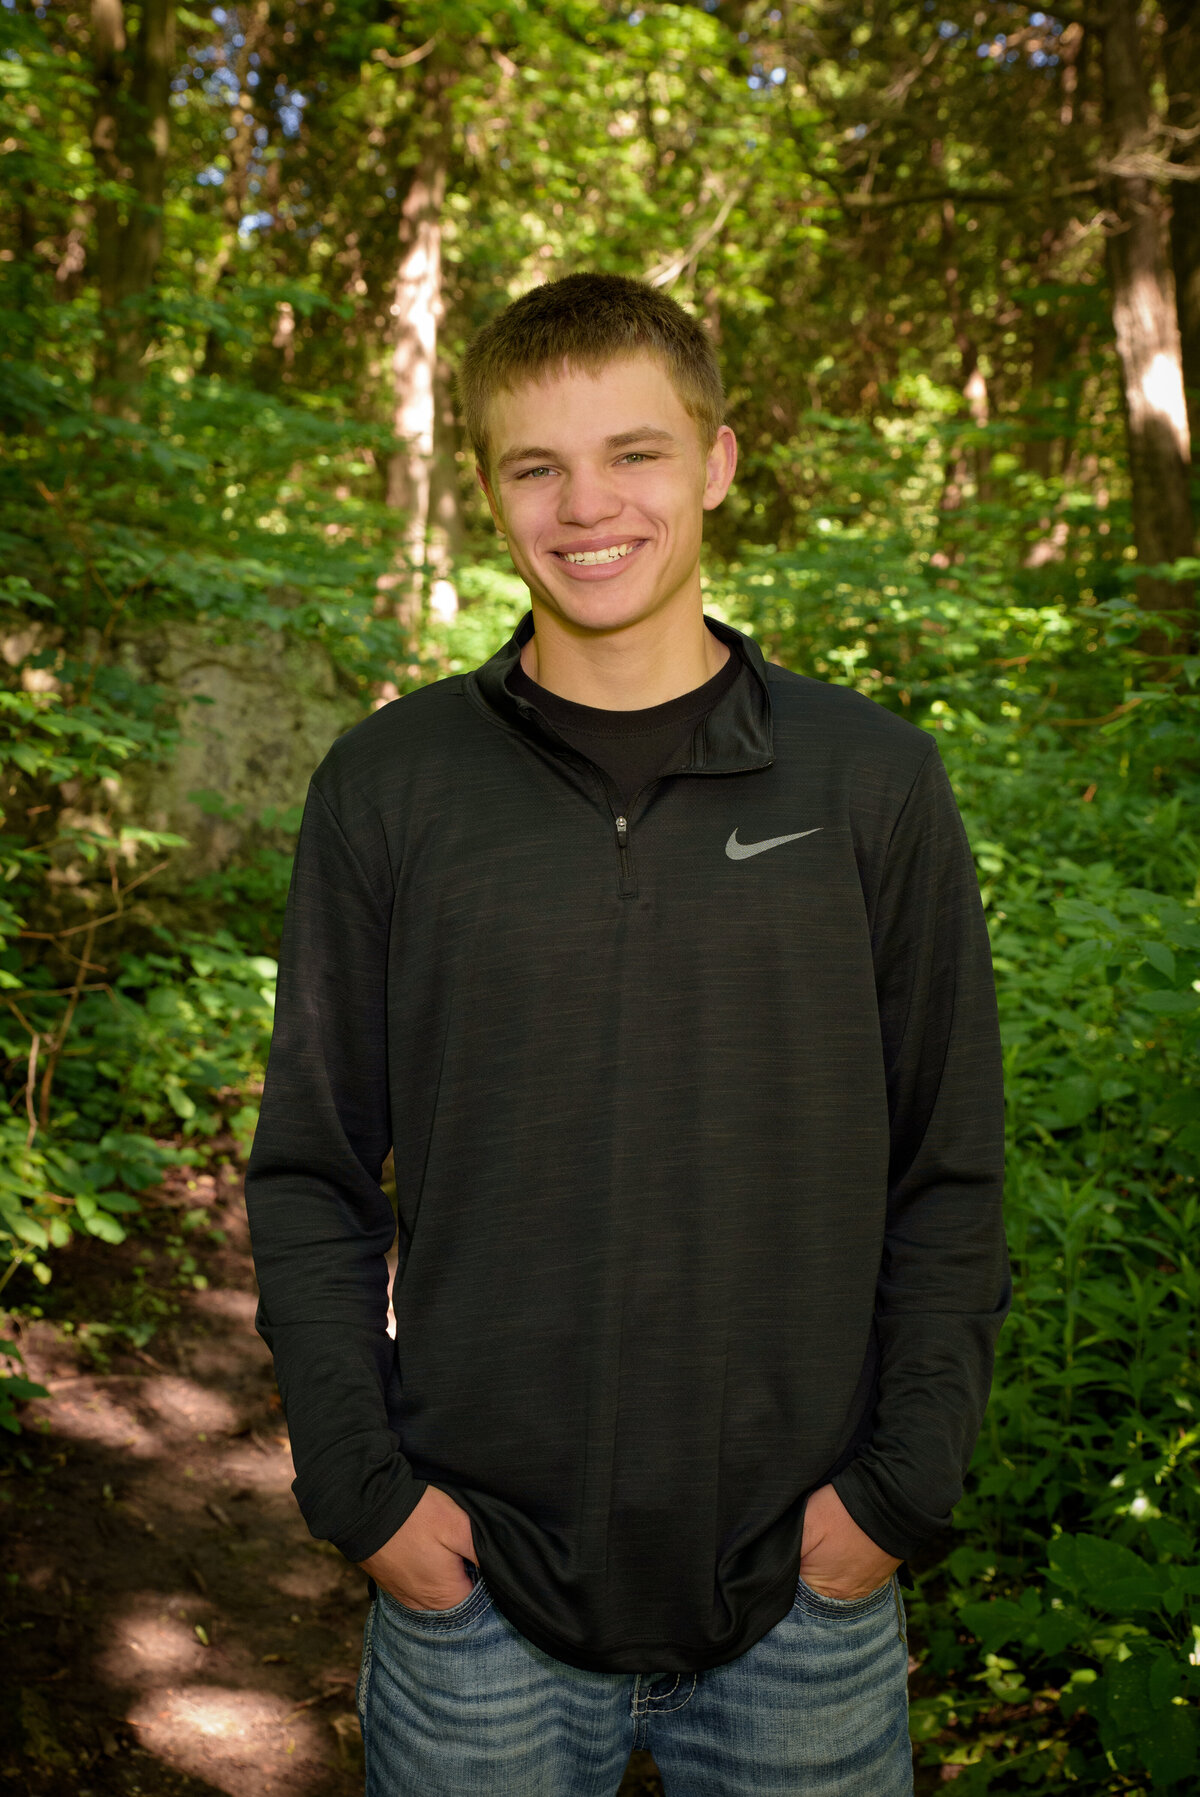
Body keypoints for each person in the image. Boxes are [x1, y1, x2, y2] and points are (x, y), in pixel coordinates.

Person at [244, 271, 1009, 1796]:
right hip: (474, 1605)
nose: (586, 504)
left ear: (718, 462)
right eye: (537, 464)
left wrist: (897, 1496)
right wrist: (367, 1497)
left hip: (808, 1598)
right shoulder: (390, 787)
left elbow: (951, 1170)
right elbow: (311, 1172)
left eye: (635, 453)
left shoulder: (870, 781)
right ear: (487, 490)